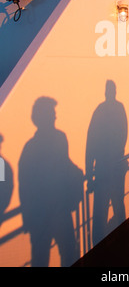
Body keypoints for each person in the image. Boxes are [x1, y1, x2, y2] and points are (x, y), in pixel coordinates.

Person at [18, 97, 82, 266]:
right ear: (43, 117)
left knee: (45, 259)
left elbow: (24, 184)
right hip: (54, 212)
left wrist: (27, 218)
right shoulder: (57, 139)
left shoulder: (31, 147)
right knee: (66, 254)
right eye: (52, 113)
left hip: (43, 215)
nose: (55, 117)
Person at [85, 80, 128, 246]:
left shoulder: (99, 111)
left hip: (102, 171)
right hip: (116, 167)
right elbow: (124, 133)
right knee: (118, 205)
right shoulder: (120, 108)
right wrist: (119, 154)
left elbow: (90, 143)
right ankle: (124, 242)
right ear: (114, 92)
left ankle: (99, 250)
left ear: (106, 92)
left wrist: (89, 175)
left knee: (100, 215)